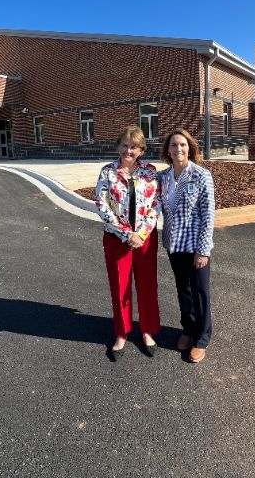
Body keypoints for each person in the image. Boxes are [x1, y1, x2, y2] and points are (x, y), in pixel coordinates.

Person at [95, 126, 161, 360]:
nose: (128, 150)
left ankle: (147, 330)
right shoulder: (107, 173)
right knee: (120, 286)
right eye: (124, 145)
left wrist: (141, 234)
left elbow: (155, 205)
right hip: (116, 239)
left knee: (147, 285)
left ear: (141, 150)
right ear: (118, 146)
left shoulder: (150, 172)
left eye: (133, 146)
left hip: (144, 239)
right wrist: (126, 233)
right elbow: (102, 205)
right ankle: (121, 333)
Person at [158, 128, 215, 363]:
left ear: (190, 148)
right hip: (174, 244)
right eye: (174, 145)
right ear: (168, 151)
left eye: (182, 145)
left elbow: (208, 215)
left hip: (195, 245)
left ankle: (202, 338)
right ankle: (188, 329)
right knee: (183, 290)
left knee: (200, 292)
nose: (178, 149)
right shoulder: (163, 177)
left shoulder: (201, 175)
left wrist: (203, 250)